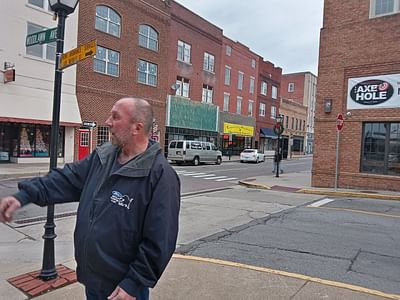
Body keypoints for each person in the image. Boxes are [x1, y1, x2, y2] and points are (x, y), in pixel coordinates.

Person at [0, 97, 181, 300]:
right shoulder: (102, 157)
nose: (107, 122)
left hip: (123, 290)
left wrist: (133, 284)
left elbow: (160, 241)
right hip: (92, 281)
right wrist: (23, 196)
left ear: (136, 128)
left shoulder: (160, 175)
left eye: (115, 117)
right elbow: (65, 179)